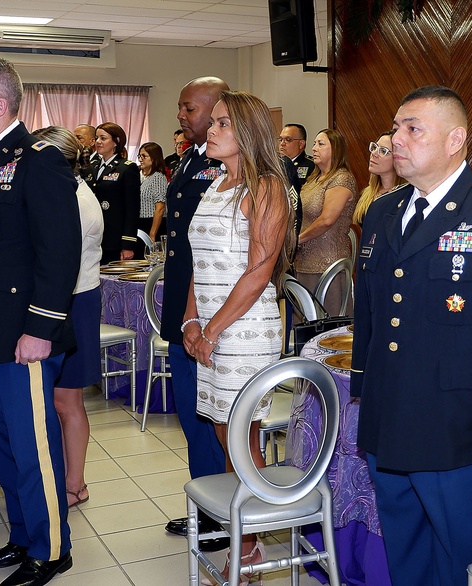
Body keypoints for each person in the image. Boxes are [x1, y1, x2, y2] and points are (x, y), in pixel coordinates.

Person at [350, 86, 472, 585]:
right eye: (396, 127)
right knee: (405, 547)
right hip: (390, 414)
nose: (396, 138)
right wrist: (363, 385)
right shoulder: (383, 210)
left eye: (412, 128)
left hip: (458, 424)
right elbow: (371, 310)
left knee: (462, 557)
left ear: (455, 138)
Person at [0, 56, 80, 586]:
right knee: (3, 444)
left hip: (23, 334)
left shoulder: (37, 160)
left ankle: (51, 550)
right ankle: (24, 536)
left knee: (34, 448)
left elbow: (60, 251)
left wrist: (41, 328)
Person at [182, 90, 295, 585]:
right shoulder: (215, 183)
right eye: (214, 123)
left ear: (247, 132)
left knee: (240, 436)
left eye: (223, 123)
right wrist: (191, 321)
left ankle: (246, 546)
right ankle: (243, 537)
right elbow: (198, 267)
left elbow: (258, 271)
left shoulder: (266, 187)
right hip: (212, 327)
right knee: (223, 431)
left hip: (245, 330)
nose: (211, 129)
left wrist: (211, 328)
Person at [160, 76, 229, 551]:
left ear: (216, 108)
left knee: (215, 418)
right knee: (191, 414)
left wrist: (206, 319)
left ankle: (223, 516)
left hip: (213, 312)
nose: (181, 116)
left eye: (189, 108)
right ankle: (206, 506)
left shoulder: (237, 167)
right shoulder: (189, 156)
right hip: (183, 306)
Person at [32, 125, 103, 511]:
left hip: (75, 302)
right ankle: (64, 478)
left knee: (67, 401)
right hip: (68, 299)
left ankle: (74, 484)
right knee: (59, 400)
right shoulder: (66, 191)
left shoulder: (74, 199)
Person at [295, 128, 356, 315]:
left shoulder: (342, 178)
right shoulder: (314, 179)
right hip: (304, 261)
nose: (314, 148)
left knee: (329, 324)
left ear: (335, 149)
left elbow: (327, 219)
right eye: (314, 143)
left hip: (328, 262)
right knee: (306, 324)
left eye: (321, 144)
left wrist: (298, 239)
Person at [83, 122, 141, 263]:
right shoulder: (92, 166)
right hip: (93, 235)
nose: (98, 142)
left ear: (116, 141)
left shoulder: (126, 168)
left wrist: (127, 244)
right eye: (96, 138)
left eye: (103, 138)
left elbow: (132, 209)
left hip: (114, 237)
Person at [352, 131, 406, 226]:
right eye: (375, 147)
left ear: (397, 158)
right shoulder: (367, 193)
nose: (374, 153)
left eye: (383, 151)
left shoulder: (405, 195)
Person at [137, 142, 168, 241]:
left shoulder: (158, 177)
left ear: (154, 158)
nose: (140, 159)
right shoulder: (137, 175)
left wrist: (152, 233)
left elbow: (160, 208)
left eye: (144, 156)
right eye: (139, 156)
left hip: (151, 224)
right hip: (138, 223)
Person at [278, 123, 315, 193]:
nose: (282, 144)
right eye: (280, 139)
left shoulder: (312, 165)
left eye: (288, 139)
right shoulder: (276, 165)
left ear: (301, 144)